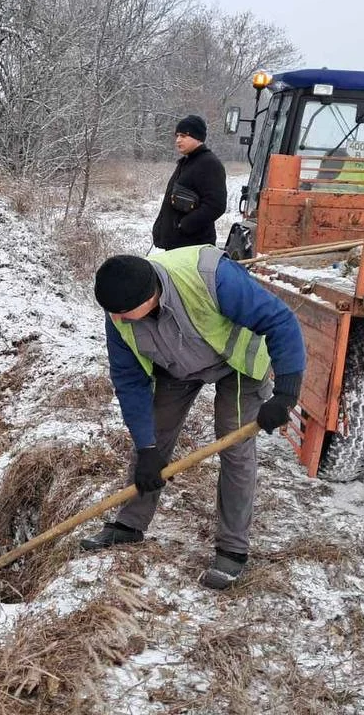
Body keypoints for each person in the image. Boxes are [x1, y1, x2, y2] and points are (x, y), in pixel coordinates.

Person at [79, 246, 305, 590]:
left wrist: (286, 393)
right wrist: (146, 447)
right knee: (152, 438)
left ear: (150, 296)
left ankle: (232, 549)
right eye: (113, 314)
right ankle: (129, 524)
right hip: (178, 368)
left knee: (234, 444)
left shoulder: (212, 277)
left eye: (124, 313)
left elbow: (280, 320)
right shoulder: (119, 315)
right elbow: (129, 382)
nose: (118, 320)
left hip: (237, 364)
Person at [151, 115, 228, 251]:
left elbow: (216, 205)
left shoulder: (209, 164)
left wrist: (184, 225)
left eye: (183, 136)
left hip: (193, 247)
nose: (178, 140)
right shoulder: (187, 162)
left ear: (197, 137)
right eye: (177, 136)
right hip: (178, 245)